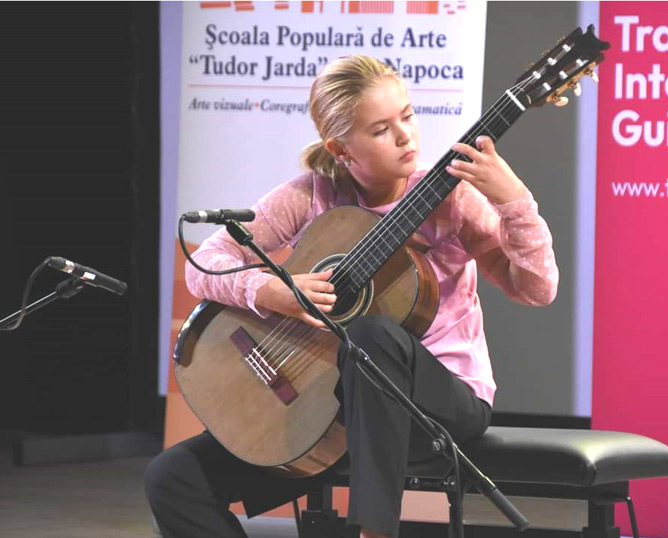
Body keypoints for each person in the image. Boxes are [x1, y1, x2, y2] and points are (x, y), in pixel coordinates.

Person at [145, 55, 558, 538]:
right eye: (381, 130)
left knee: (370, 334)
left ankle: (374, 531)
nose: (405, 136)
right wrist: (275, 291)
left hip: (437, 406)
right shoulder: (312, 195)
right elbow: (206, 261)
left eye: (407, 116)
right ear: (340, 149)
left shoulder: (454, 199)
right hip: (327, 412)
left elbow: (537, 289)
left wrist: (514, 200)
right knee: (172, 478)